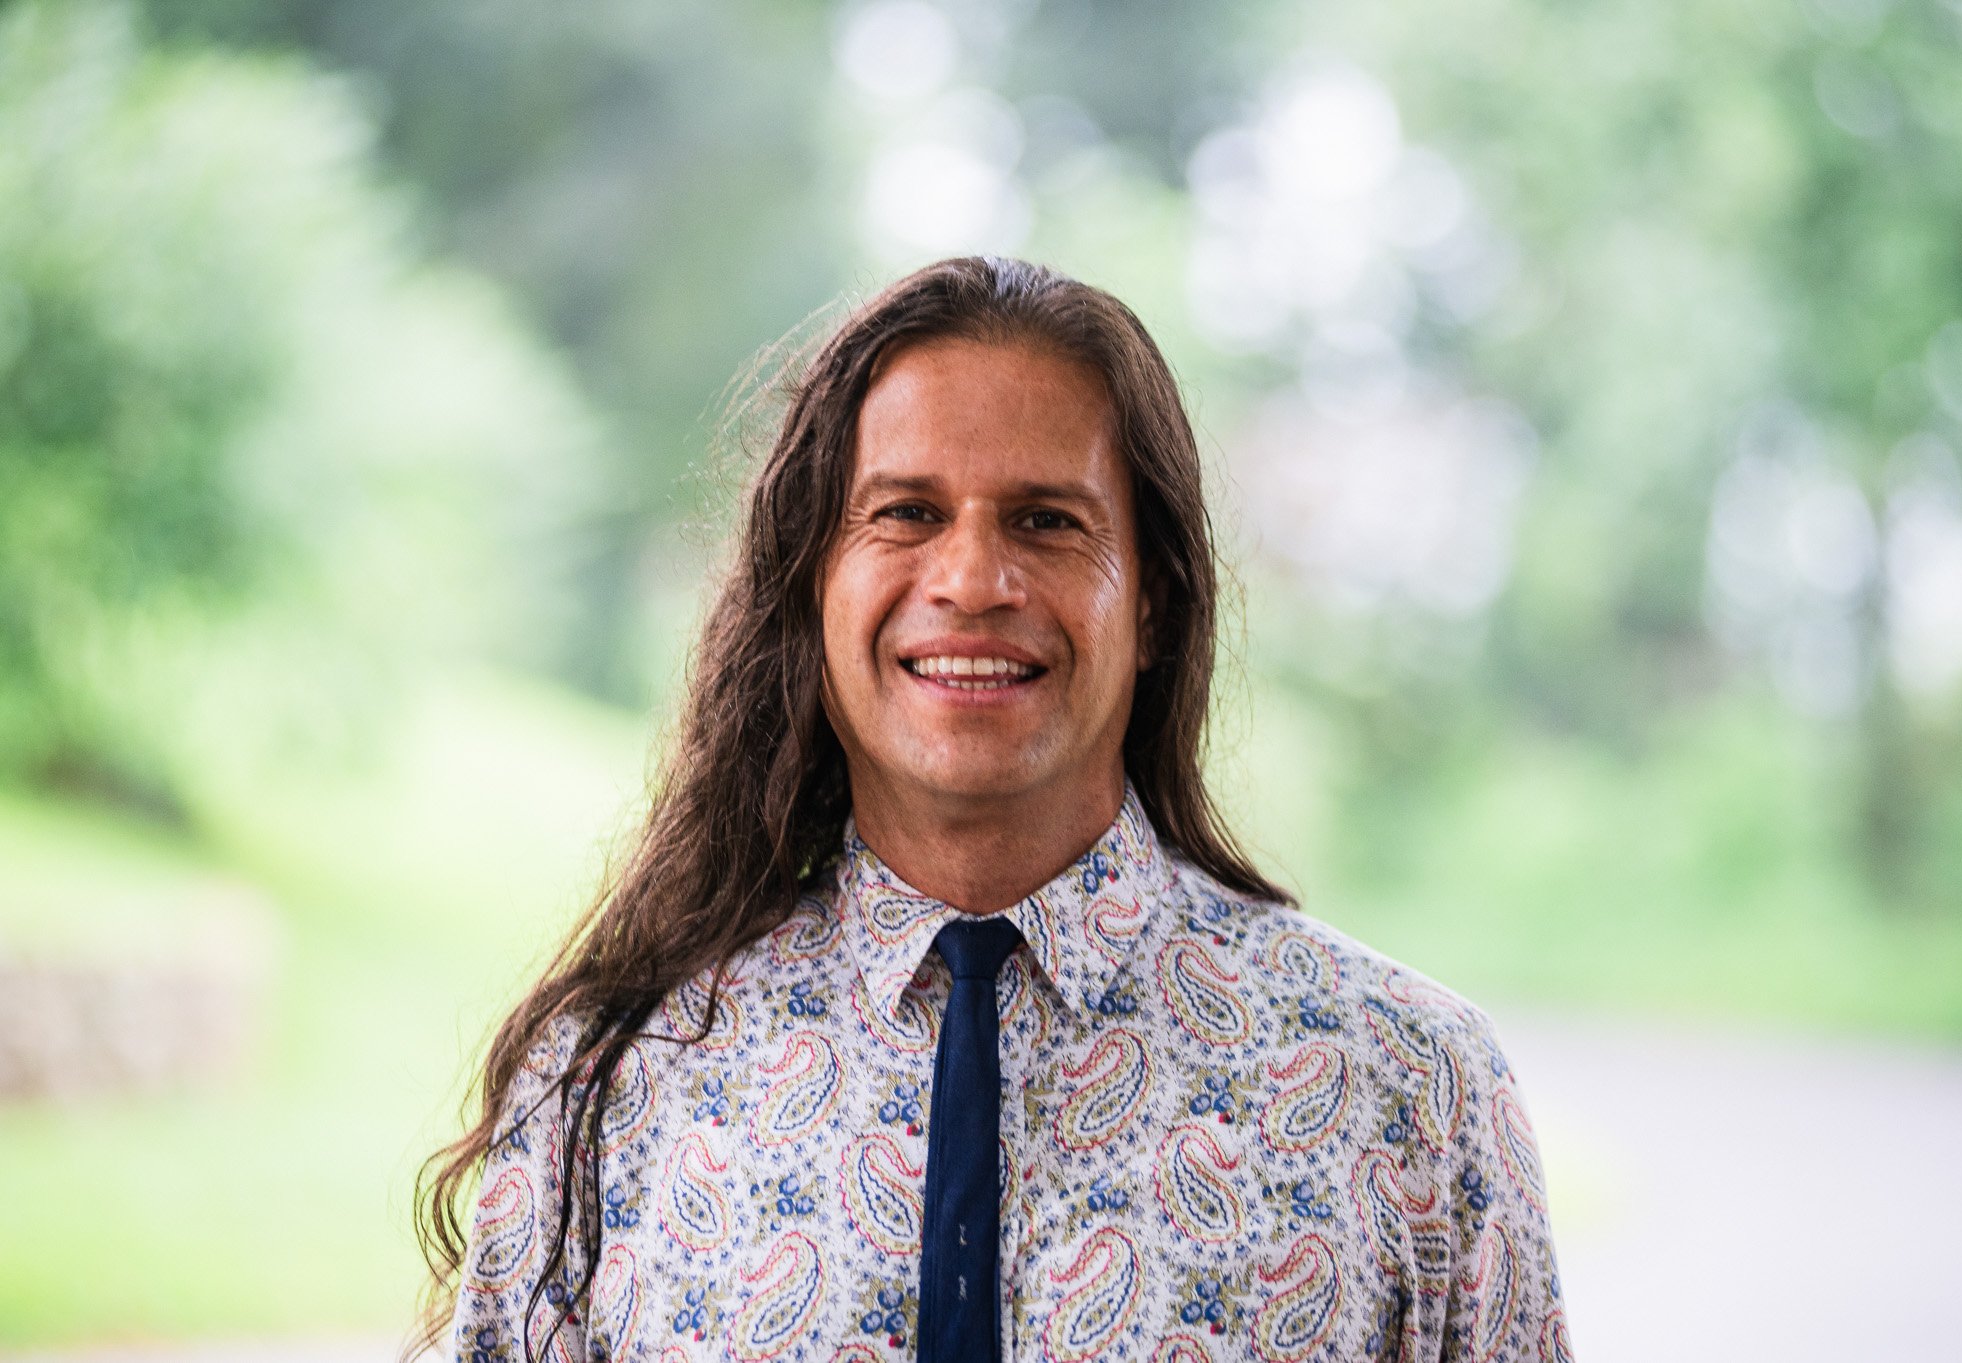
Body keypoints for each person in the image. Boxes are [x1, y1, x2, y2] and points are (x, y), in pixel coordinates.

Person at [415, 257, 1574, 1363]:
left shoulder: (1404, 1086)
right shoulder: (615, 1078)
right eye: (906, 513)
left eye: (1046, 521)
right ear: (813, 583)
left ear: (1156, 604)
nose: (970, 581)